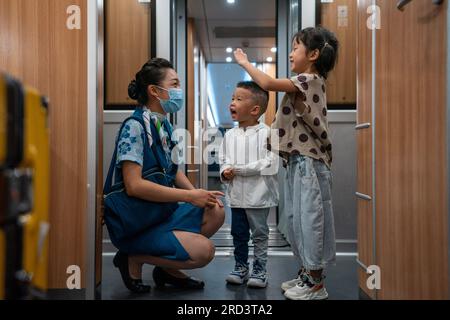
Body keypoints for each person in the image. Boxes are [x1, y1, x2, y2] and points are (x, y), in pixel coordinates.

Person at [234, 26, 339, 300]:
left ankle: (316, 283)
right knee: (296, 220)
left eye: (295, 48)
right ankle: (306, 274)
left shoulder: (308, 80)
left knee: (310, 220)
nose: (291, 53)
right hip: (298, 161)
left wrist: (245, 63)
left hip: (310, 162)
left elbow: (267, 84)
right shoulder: (305, 81)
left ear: (314, 54)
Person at [105, 58, 225, 293]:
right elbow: (134, 186)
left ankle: (167, 269)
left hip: (158, 214)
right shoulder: (135, 126)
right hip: (137, 222)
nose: (179, 90)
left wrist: (198, 194)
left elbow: (172, 170)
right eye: (175, 84)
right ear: (154, 91)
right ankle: (133, 256)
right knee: (204, 251)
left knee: (216, 209)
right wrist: (190, 198)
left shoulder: (163, 126)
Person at [219, 81, 279, 288]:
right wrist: (225, 172)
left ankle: (260, 270)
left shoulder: (269, 133)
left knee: (260, 235)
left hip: (259, 197)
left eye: (238, 99)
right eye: (232, 98)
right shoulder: (229, 135)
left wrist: (240, 170)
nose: (232, 103)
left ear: (255, 110)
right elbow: (224, 158)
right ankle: (240, 267)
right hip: (236, 197)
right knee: (238, 233)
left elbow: (271, 163)